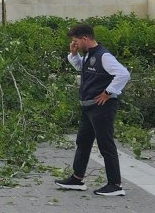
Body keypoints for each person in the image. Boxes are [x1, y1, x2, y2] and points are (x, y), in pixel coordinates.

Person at [55, 24, 131, 196]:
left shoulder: (103, 56)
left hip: (102, 107)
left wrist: (108, 92)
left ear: (85, 38)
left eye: (76, 41)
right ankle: (77, 178)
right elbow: (81, 68)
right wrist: (73, 54)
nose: (74, 44)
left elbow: (123, 74)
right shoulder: (89, 55)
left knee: (105, 144)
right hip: (88, 107)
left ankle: (115, 184)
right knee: (83, 142)